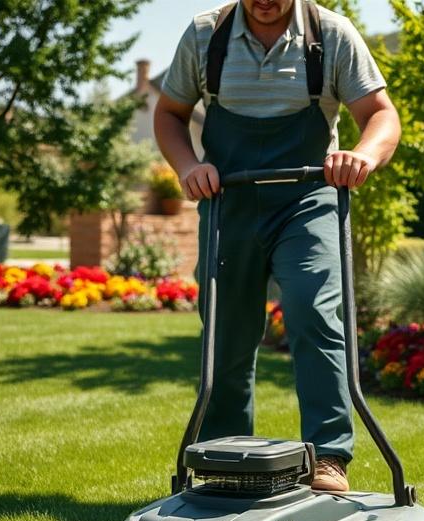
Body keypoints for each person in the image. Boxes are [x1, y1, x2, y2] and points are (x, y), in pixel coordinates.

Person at [154, 0, 400, 492]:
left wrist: (363, 155)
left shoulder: (331, 35)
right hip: (229, 203)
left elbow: (379, 115)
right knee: (226, 331)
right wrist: (188, 168)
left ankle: (329, 455)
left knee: (312, 310)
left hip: (307, 200)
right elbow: (170, 114)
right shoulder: (206, 36)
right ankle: (224, 459)